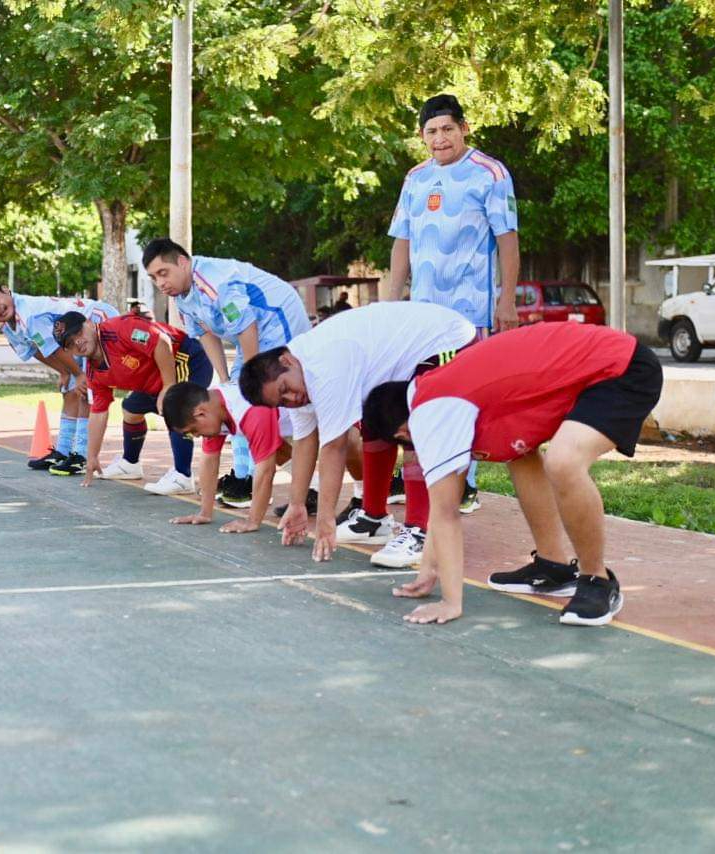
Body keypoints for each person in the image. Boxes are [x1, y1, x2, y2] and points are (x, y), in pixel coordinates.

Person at [361, 323, 663, 626]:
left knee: (563, 461)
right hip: (594, 365)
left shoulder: (432, 411)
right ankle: (553, 565)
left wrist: (450, 602)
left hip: (621, 369)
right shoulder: (439, 390)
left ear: (402, 432)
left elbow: (446, 513)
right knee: (516, 452)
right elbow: (446, 495)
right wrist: (428, 567)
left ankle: (598, 580)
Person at [239, 301, 475, 565]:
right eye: (282, 402)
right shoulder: (297, 381)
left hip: (447, 340)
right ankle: (374, 518)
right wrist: (297, 505)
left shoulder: (323, 366)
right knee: (375, 418)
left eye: (286, 389)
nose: (292, 399)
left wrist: (326, 520)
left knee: (415, 422)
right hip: (406, 356)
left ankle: (420, 530)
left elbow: (334, 447)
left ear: (287, 360)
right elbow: (305, 441)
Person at [385, 93, 522, 516]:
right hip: (424, 312)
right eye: (431, 131)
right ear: (421, 137)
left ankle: (466, 482)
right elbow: (401, 245)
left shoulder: (490, 173)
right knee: (420, 391)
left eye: (447, 129)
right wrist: (391, 301)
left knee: (467, 393)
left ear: (464, 128)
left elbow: (508, 241)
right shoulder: (415, 179)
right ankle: (424, 470)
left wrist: (507, 301)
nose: (440, 138)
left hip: (471, 312)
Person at [143, 238, 310, 510]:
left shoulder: (216, 282)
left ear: (183, 262)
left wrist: (251, 381)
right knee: (234, 404)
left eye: (164, 273)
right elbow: (205, 335)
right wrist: (224, 380)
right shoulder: (182, 299)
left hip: (277, 322)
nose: (160, 283)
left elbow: (247, 328)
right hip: (252, 332)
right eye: (153, 278)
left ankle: (294, 484)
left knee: (282, 407)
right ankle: (246, 478)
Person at [162, 381, 366, 534]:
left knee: (347, 442)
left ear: (200, 413)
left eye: (194, 431)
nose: (197, 436)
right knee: (270, 447)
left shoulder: (250, 409)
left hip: (331, 396)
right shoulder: (213, 406)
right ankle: (310, 489)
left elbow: (265, 470)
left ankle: (365, 499)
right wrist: (205, 512)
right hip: (302, 413)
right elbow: (209, 459)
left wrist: (252, 520)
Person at [54, 310, 212, 495]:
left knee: (176, 410)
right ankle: (130, 463)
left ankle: (183, 476)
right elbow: (98, 412)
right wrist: (92, 456)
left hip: (186, 360)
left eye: (78, 333)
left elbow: (162, 342)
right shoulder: (93, 373)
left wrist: (168, 387)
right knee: (130, 410)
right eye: (70, 343)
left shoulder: (120, 329)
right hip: (153, 378)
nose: (78, 342)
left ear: (89, 323)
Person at [0, 284, 117, 476]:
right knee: (70, 391)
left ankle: (81, 456)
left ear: (7, 290)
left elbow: (54, 349)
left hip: (96, 320)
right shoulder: (8, 327)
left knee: (84, 391)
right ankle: (63, 452)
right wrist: (65, 372)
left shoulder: (29, 315)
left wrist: (78, 374)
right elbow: (37, 350)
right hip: (73, 337)